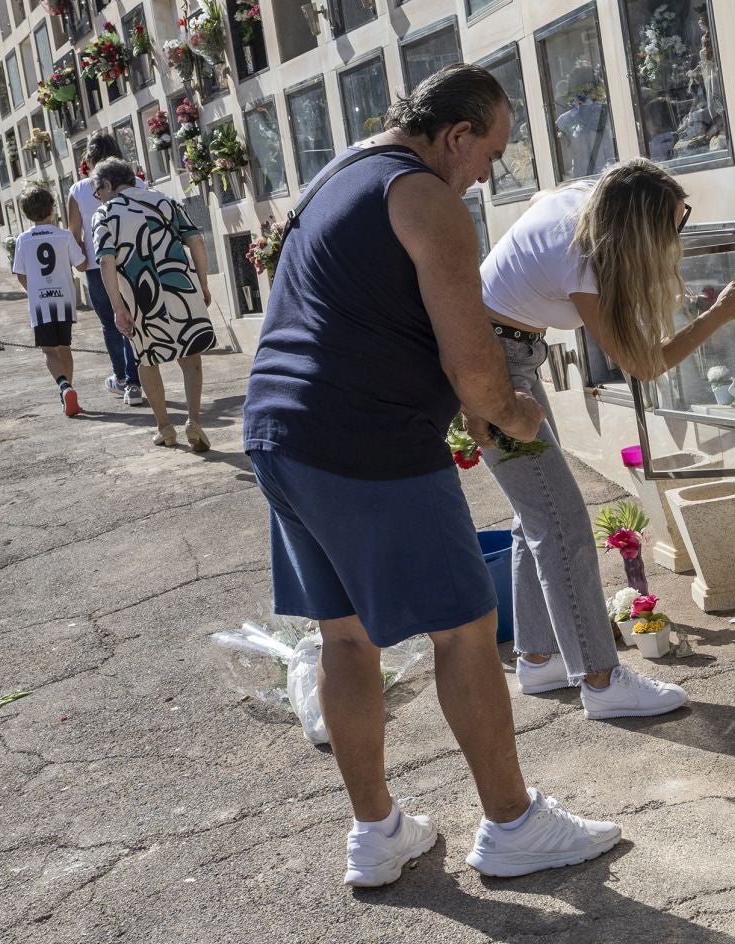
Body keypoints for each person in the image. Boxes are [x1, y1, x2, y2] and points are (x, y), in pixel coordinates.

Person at [244, 63, 619, 888]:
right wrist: (519, 416)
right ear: (455, 136)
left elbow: (342, 311)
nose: (489, 171)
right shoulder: (426, 200)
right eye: (491, 151)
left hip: (277, 430)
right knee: (466, 629)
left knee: (344, 636)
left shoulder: (339, 173)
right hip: (366, 437)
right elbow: (480, 375)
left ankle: (377, 836)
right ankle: (513, 823)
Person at [478, 159, 735, 720]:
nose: (675, 238)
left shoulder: (578, 198)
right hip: (492, 364)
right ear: (634, 228)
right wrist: (722, 313)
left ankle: (540, 657)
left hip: (503, 349)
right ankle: (601, 681)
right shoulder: (583, 259)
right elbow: (643, 365)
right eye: (670, 228)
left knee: (537, 516)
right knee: (562, 522)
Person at [92, 158, 214, 451]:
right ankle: (194, 422)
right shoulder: (163, 201)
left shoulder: (105, 213)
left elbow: (106, 261)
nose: (98, 197)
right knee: (190, 356)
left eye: (98, 190)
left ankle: (164, 428)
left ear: (108, 184)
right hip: (181, 286)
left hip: (139, 296)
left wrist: (117, 306)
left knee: (147, 359)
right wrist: (202, 282)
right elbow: (195, 240)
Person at [65, 134, 142, 406]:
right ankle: (134, 383)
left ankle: (121, 377)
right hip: (132, 262)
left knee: (110, 323)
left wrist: (82, 262)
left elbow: (73, 233)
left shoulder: (78, 190)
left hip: (97, 267)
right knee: (133, 319)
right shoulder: (137, 183)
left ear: (89, 158)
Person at [10, 184, 86, 417]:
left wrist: (33, 290)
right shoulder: (63, 236)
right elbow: (81, 264)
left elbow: (20, 273)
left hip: (40, 303)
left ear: (26, 213)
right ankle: (69, 393)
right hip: (63, 300)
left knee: (49, 351)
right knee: (65, 348)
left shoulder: (23, 240)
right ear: (52, 209)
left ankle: (64, 386)